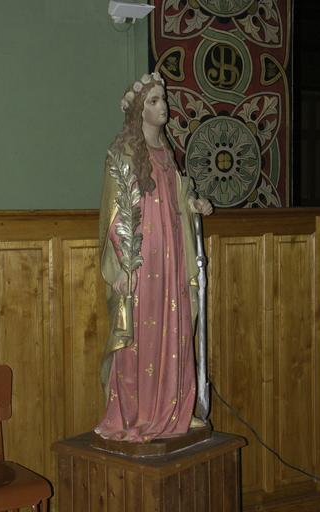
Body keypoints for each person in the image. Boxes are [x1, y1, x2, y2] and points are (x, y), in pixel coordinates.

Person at [95, 72, 212, 442]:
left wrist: (192, 203)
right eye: (154, 101)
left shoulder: (166, 153)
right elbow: (115, 213)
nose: (164, 107)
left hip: (172, 255)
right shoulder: (124, 153)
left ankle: (174, 409)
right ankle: (136, 416)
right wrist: (121, 267)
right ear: (138, 111)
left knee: (174, 331)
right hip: (141, 262)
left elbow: (177, 197)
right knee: (140, 335)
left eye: (163, 100)